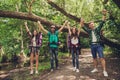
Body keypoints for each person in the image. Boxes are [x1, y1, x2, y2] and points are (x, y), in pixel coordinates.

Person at [80, 9, 108, 77]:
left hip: (99, 45)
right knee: (94, 58)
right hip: (92, 45)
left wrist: (104, 14)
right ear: (89, 26)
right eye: (90, 24)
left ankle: (104, 71)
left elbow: (102, 21)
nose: (92, 24)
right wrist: (81, 20)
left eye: (92, 23)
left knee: (101, 58)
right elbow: (82, 26)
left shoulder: (97, 29)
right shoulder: (89, 31)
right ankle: (95, 68)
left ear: (94, 25)